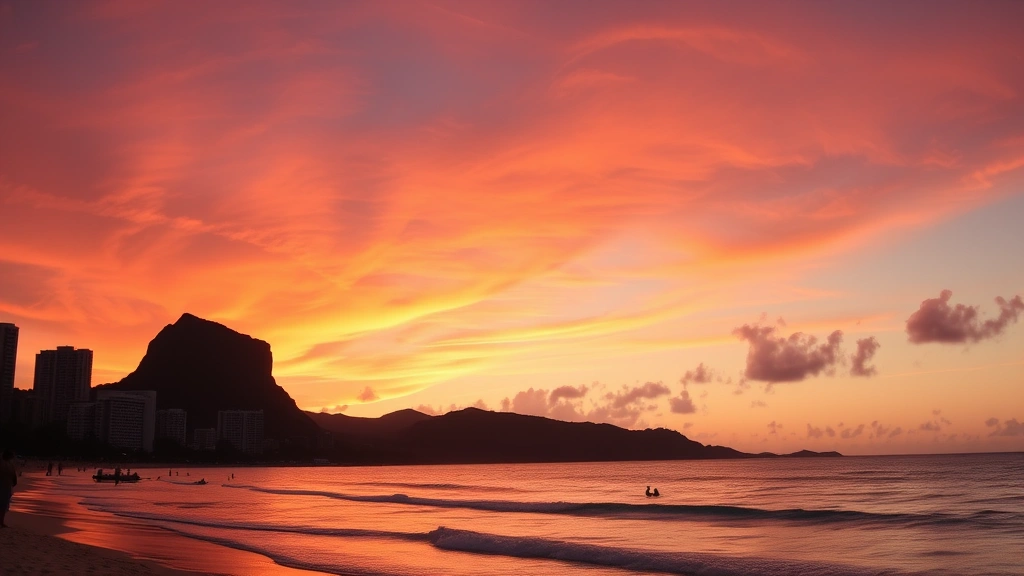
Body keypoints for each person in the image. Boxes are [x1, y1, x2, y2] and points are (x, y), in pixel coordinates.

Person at [1, 449, 17, 527]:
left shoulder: (4, 463)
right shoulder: (10, 465)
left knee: (3, 505)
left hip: (5, 486)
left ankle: (1, 522)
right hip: (6, 486)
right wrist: (13, 483)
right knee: (3, 505)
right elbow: (14, 478)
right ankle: (1, 521)